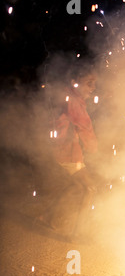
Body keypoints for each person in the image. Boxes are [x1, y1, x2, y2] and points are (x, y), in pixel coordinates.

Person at [36, 64, 99, 238]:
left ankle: (47, 216)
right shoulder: (73, 100)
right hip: (68, 153)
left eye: (94, 84)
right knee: (90, 188)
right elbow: (85, 125)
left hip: (64, 150)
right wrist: (94, 148)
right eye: (89, 83)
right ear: (75, 82)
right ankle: (78, 233)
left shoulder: (68, 96)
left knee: (76, 184)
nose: (93, 88)